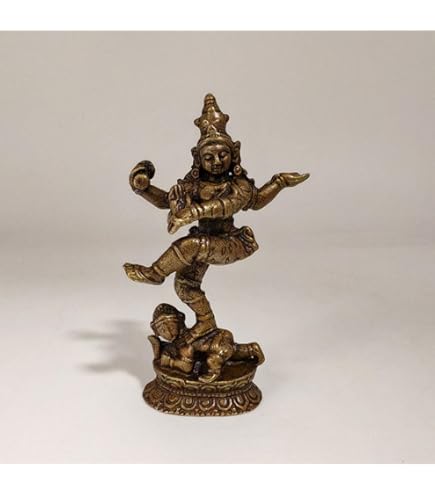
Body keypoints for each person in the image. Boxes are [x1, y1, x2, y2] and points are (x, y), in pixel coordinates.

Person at [124, 94, 309, 346]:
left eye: (223, 155)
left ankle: (155, 273)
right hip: (204, 243)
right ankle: (205, 322)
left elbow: (233, 204)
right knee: (185, 285)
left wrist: (279, 182)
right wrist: (144, 189)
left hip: (230, 242)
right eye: (209, 158)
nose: (217, 162)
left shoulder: (238, 185)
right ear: (198, 158)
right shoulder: (194, 185)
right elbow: (167, 200)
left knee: (188, 245)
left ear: (234, 154)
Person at [148, 303, 265, 383]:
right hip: (222, 336)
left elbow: (187, 367)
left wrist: (170, 362)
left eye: (171, 327)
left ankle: (214, 372)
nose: (169, 333)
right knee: (233, 351)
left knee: (212, 360)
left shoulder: (186, 343)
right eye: (163, 330)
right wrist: (158, 347)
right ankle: (251, 349)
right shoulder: (184, 338)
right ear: (157, 331)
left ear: (180, 321)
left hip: (216, 345)